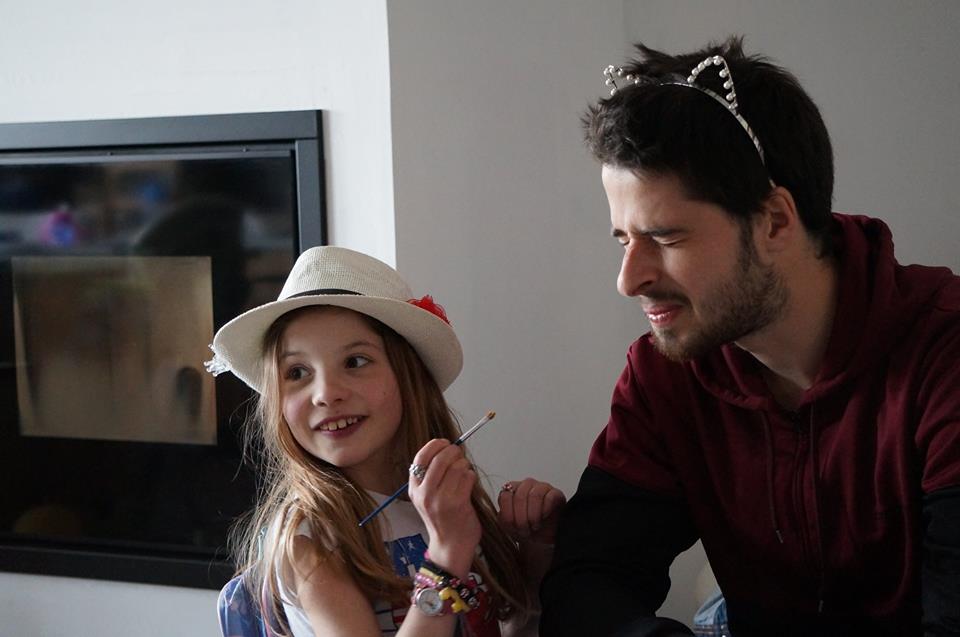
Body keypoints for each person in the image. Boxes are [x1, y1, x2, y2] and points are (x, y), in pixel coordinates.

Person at [540, 36, 960, 636]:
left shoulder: (943, 349)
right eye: (623, 240)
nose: (629, 280)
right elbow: (586, 583)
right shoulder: (666, 372)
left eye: (665, 237)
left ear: (775, 221)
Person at [207, 246, 565, 636]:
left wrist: (537, 546)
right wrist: (446, 555)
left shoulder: (445, 499)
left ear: (409, 376)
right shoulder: (309, 540)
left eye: (355, 362)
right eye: (297, 372)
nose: (325, 394)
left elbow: (513, 624)